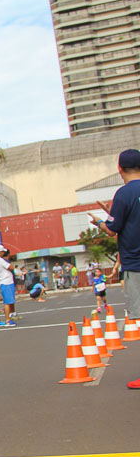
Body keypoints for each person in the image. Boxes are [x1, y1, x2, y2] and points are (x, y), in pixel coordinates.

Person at [91, 149, 140, 390]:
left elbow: (113, 229)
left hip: (136, 264)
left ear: (119, 169)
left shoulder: (123, 194)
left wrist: (100, 221)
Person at [0, 245, 17, 327]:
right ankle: (7, 320)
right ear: (1, 252)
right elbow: (11, 267)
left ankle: (9, 318)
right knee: (7, 302)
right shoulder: (0, 260)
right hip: (6, 282)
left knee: (9, 301)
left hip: (5, 282)